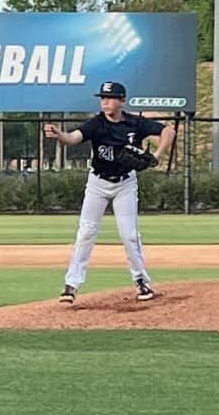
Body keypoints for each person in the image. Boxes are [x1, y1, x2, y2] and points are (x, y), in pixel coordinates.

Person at [43, 81, 175, 303]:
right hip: (97, 183)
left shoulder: (136, 123)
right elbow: (74, 138)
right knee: (86, 232)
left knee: (129, 234)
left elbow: (168, 131)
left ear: (121, 100)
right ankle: (71, 285)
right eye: (102, 98)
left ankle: (141, 282)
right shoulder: (97, 124)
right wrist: (59, 135)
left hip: (125, 183)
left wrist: (157, 155)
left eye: (109, 98)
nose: (104, 102)